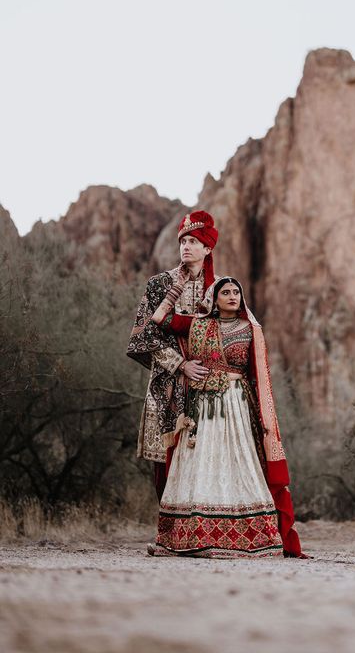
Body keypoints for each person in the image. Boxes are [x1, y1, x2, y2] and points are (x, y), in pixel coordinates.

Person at [153, 275, 304, 557]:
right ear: (215, 299)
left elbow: (258, 376)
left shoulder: (251, 329)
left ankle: (243, 537)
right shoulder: (198, 324)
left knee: (236, 463)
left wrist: (265, 419)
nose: (233, 296)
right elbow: (160, 317)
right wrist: (178, 286)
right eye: (226, 292)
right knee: (201, 463)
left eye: (237, 292)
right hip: (201, 407)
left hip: (236, 405)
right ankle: (191, 537)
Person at [127, 210, 219, 501]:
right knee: (164, 460)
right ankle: (168, 531)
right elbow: (143, 334)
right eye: (183, 241)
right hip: (167, 382)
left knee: (206, 457)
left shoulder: (220, 289)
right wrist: (180, 365)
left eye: (193, 241)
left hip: (208, 382)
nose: (186, 247)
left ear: (207, 248)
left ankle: (198, 530)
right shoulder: (159, 284)